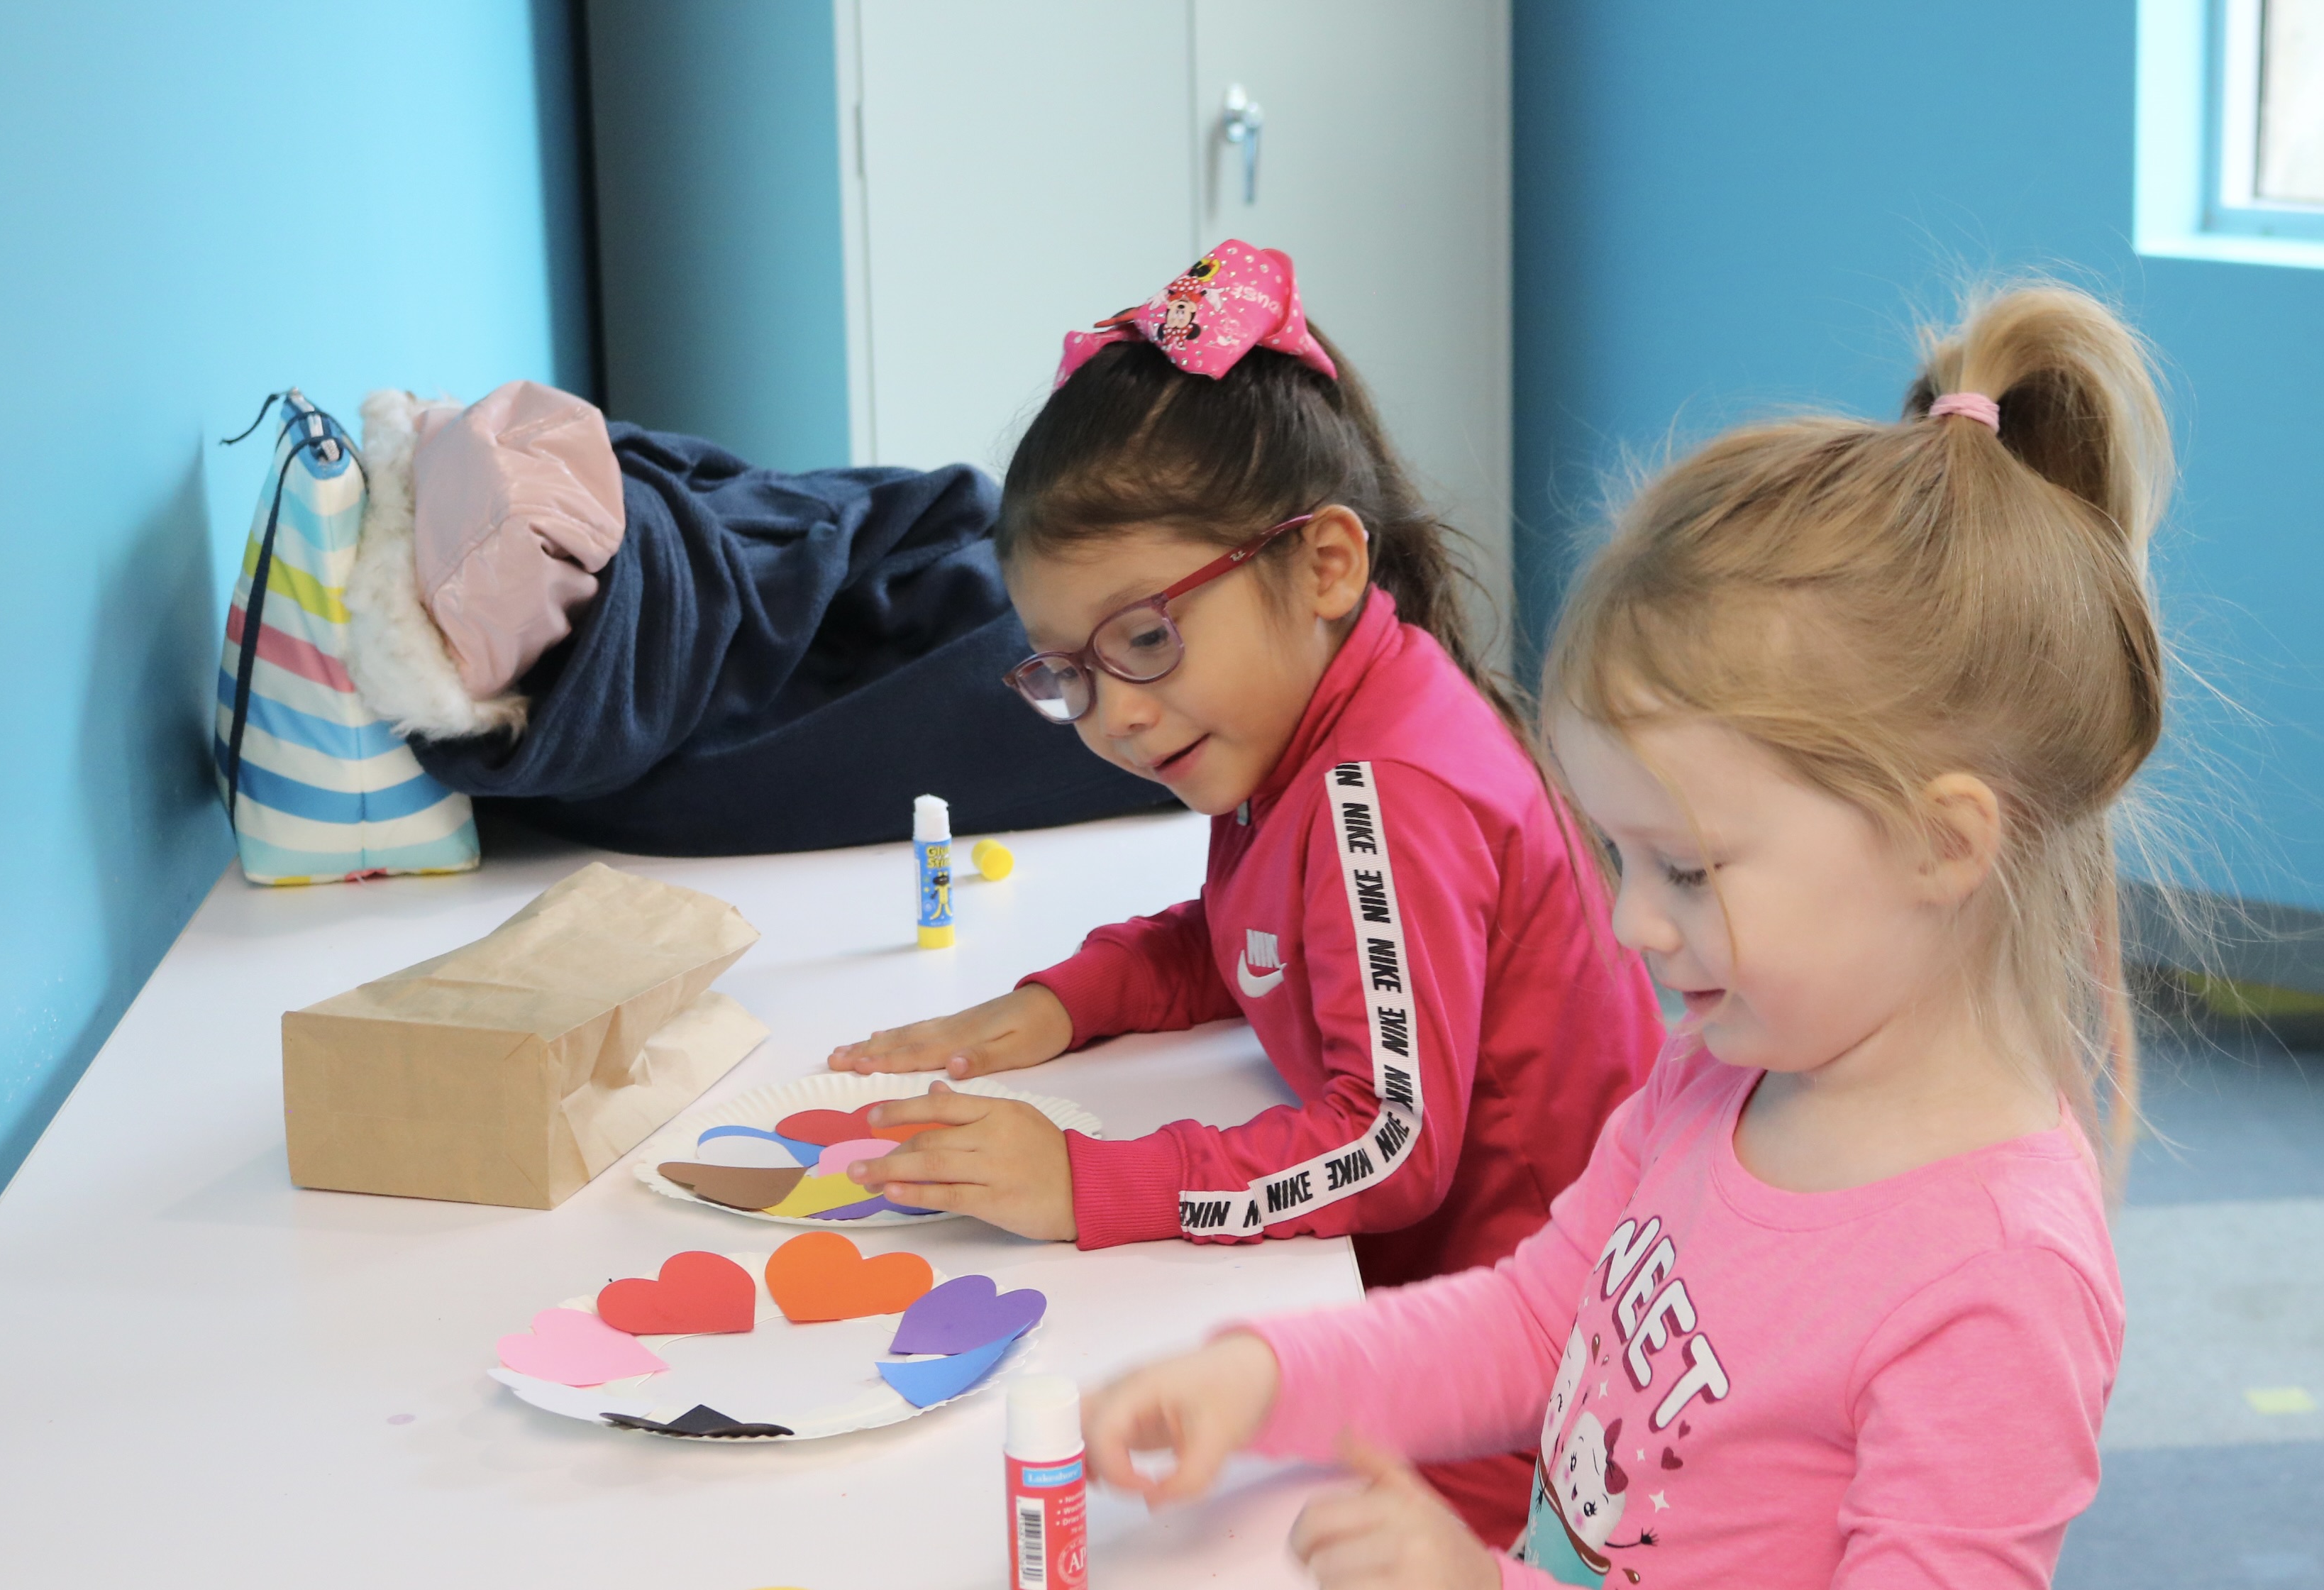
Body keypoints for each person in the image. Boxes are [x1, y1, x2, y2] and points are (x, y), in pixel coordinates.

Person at [1079, 280, 2173, 1589]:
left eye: (1690, 870)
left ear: (1941, 842)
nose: (1630, 920)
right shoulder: (1723, 1071)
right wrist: (1268, 1376)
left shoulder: (1997, 1281)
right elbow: (1537, 1320)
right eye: (1624, 856)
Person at [829, 240, 1663, 1542]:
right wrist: (1069, 1002)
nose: (1113, 714)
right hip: (1424, 1326)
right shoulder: (1305, 724)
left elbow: (1387, 1143)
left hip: (1529, 1410)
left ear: (1324, 563)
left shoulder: (1381, 794)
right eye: (1068, 673)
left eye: (1144, 637)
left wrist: (1088, 1183)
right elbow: (1258, 934)